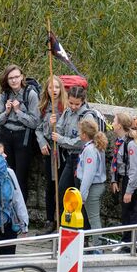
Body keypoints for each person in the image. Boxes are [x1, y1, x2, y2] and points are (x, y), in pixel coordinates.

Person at [0, 64, 40, 203]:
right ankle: (7, 210)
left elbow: (34, 122)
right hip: (6, 136)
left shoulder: (30, 94)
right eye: (11, 78)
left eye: (16, 77)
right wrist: (7, 112)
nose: (14, 80)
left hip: (23, 138)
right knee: (6, 174)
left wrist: (18, 112)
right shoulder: (5, 94)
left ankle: (21, 214)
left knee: (20, 177)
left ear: (22, 77)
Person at [52, 85, 95, 213]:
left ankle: (82, 228)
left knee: (79, 193)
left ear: (83, 101)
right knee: (62, 191)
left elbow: (80, 142)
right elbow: (59, 129)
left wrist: (60, 140)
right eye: (71, 103)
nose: (73, 106)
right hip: (69, 158)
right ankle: (64, 223)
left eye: (77, 104)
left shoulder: (87, 117)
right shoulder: (67, 111)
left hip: (81, 158)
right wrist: (53, 126)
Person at [35, 75, 67, 233]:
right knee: (50, 185)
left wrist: (57, 124)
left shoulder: (65, 106)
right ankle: (49, 219)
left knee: (62, 186)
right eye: (50, 87)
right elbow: (38, 129)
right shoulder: (43, 106)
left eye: (56, 87)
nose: (53, 90)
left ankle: (63, 219)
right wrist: (42, 142)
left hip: (62, 150)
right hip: (49, 149)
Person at [110, 112, 137, 243]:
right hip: (126, 179)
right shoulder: (120, 141)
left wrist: (129, 191)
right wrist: (114, 179)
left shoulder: (131, 144)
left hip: (134, 182)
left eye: (114, 121)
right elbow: (116, 161)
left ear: (119, 126)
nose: (113, 124)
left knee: (135, 212)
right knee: (126, 212)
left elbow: (135, 170)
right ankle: (126, 242)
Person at [76, 118, 107, 240]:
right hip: (96, 186)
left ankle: (97, 248)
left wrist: (82, 195)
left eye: (80, 132)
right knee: (93, 217)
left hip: (93, 187)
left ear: (84, 134)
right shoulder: (94, 146)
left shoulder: (90, 150)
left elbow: (88, 175)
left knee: (93, 219)